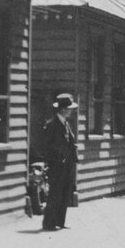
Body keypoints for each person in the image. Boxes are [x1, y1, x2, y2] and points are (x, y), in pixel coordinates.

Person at [39, 93, 79, 231]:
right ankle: (49, 223)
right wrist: (57, 158)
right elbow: (47, 146)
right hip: (57, 165)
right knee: (55, 194)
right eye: (69, 108)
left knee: (65, 193)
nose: (71, 111)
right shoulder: (52, 125)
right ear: (63, 109)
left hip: (67, 164)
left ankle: (60, 221)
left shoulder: (65, 124)